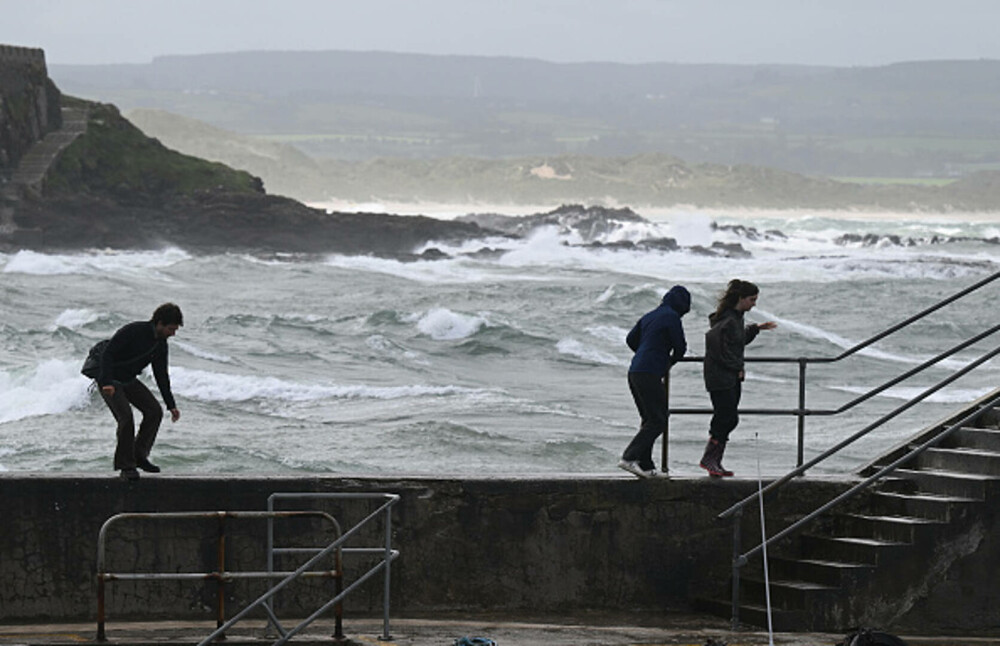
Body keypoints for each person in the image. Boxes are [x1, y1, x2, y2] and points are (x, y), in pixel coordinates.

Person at [95, 303, 183, 480]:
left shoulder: (160, 345)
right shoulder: (134, 330)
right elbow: (108, 354)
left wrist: (171, 405)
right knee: (126, 417)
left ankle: (139, 456)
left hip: (128, 380)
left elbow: (161, 375)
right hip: (109, 379)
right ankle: (126, 466)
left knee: (154, 411)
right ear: (159, 323)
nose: (173, 334)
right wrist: (106, 382)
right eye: (171, 329)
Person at [700, 280, 776, 477]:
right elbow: (714, 344)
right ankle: (710, 460)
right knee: (726, 417)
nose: (754, 304)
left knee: (728, 417)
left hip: (728, 376)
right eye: (752, 300)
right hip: (721, 377)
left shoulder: (735, 317)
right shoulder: (729, 320)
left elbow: (736, 340)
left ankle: (714, 461)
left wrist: (756, 329)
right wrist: (736, 368)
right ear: (740, 299)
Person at [619, 285, 691, 479]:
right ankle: (629, 457)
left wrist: (645, 352)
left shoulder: (650, 315)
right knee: (659, 420)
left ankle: (647, 466)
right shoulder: (672, 317)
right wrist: (666, 361)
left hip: (635, 371)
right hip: (650, 372)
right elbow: (680, 348)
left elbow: (630, 339)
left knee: (649, 419)